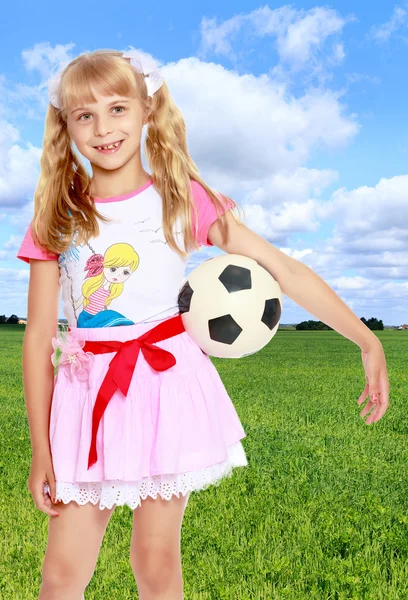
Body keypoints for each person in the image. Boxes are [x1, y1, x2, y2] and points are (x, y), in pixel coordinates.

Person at [16, 48, 390, 600]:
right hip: (86, 393)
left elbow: (281, 267)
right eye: (84, 115)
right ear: (65, 125)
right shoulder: (59, 215)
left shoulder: (182, 199)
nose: (103, 128)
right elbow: (38, 336)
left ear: (147, 108)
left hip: (167, 387)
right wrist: (41, 451)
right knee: (63, 572)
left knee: (157, 559)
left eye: (118, 108)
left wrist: (366, 339)